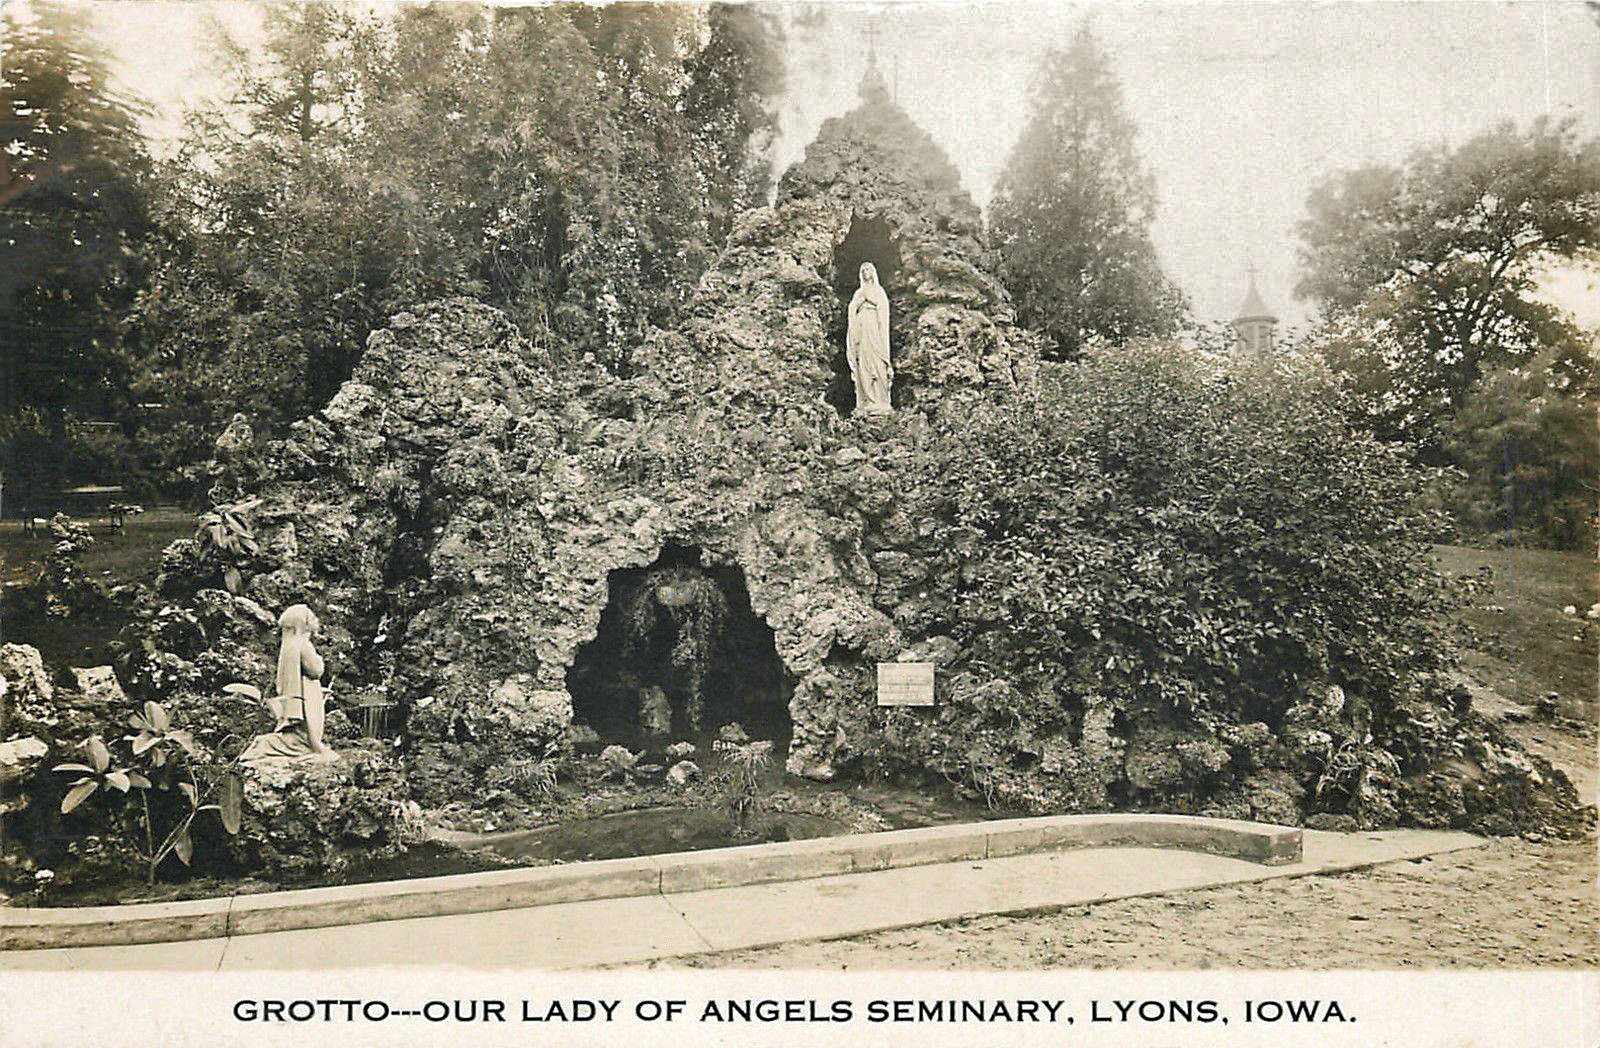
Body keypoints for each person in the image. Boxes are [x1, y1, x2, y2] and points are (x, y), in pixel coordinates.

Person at [241, 603, 334, 762]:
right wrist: (320, 660)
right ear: (303, 624)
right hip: (307, 694)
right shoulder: (303, 644)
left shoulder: (288, 645)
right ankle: (306, 747)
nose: (314, 621)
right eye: (310, 619)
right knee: (309, 729)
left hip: (299, 694)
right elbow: (315, 670)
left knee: (301, 731)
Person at [846, 261, 893, 415]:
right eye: (863, 270)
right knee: (863, 364)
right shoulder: (858, 293)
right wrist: (858, 304)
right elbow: (852, 309)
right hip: (862, 331)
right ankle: (866, 401)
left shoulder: (879, 291)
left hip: (875, 331)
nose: (866, 272)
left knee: (878, 363)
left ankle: (881, 400)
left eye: (868, 269)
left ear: (873, 272)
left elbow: (883, 308)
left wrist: (870, 299)